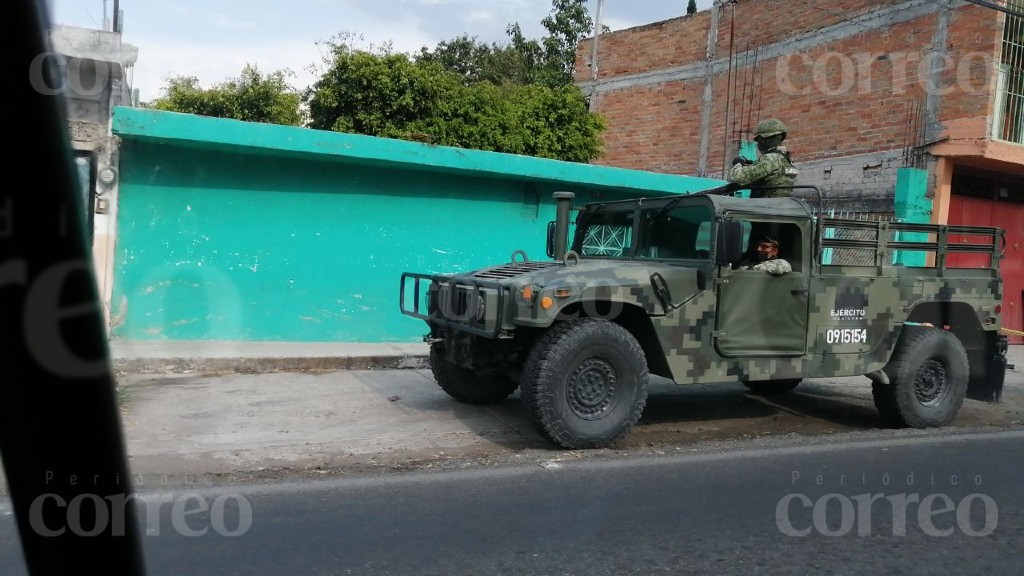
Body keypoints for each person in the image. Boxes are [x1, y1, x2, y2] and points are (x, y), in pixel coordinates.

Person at [728, 118, 799, 197]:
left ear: (776, 137)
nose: (758, 143)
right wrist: (751, 163)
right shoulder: (787, 159)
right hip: (782, 205)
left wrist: (738, 164)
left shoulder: (770, 159)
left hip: (763, 206)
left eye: (760, 139)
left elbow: (738, 178)